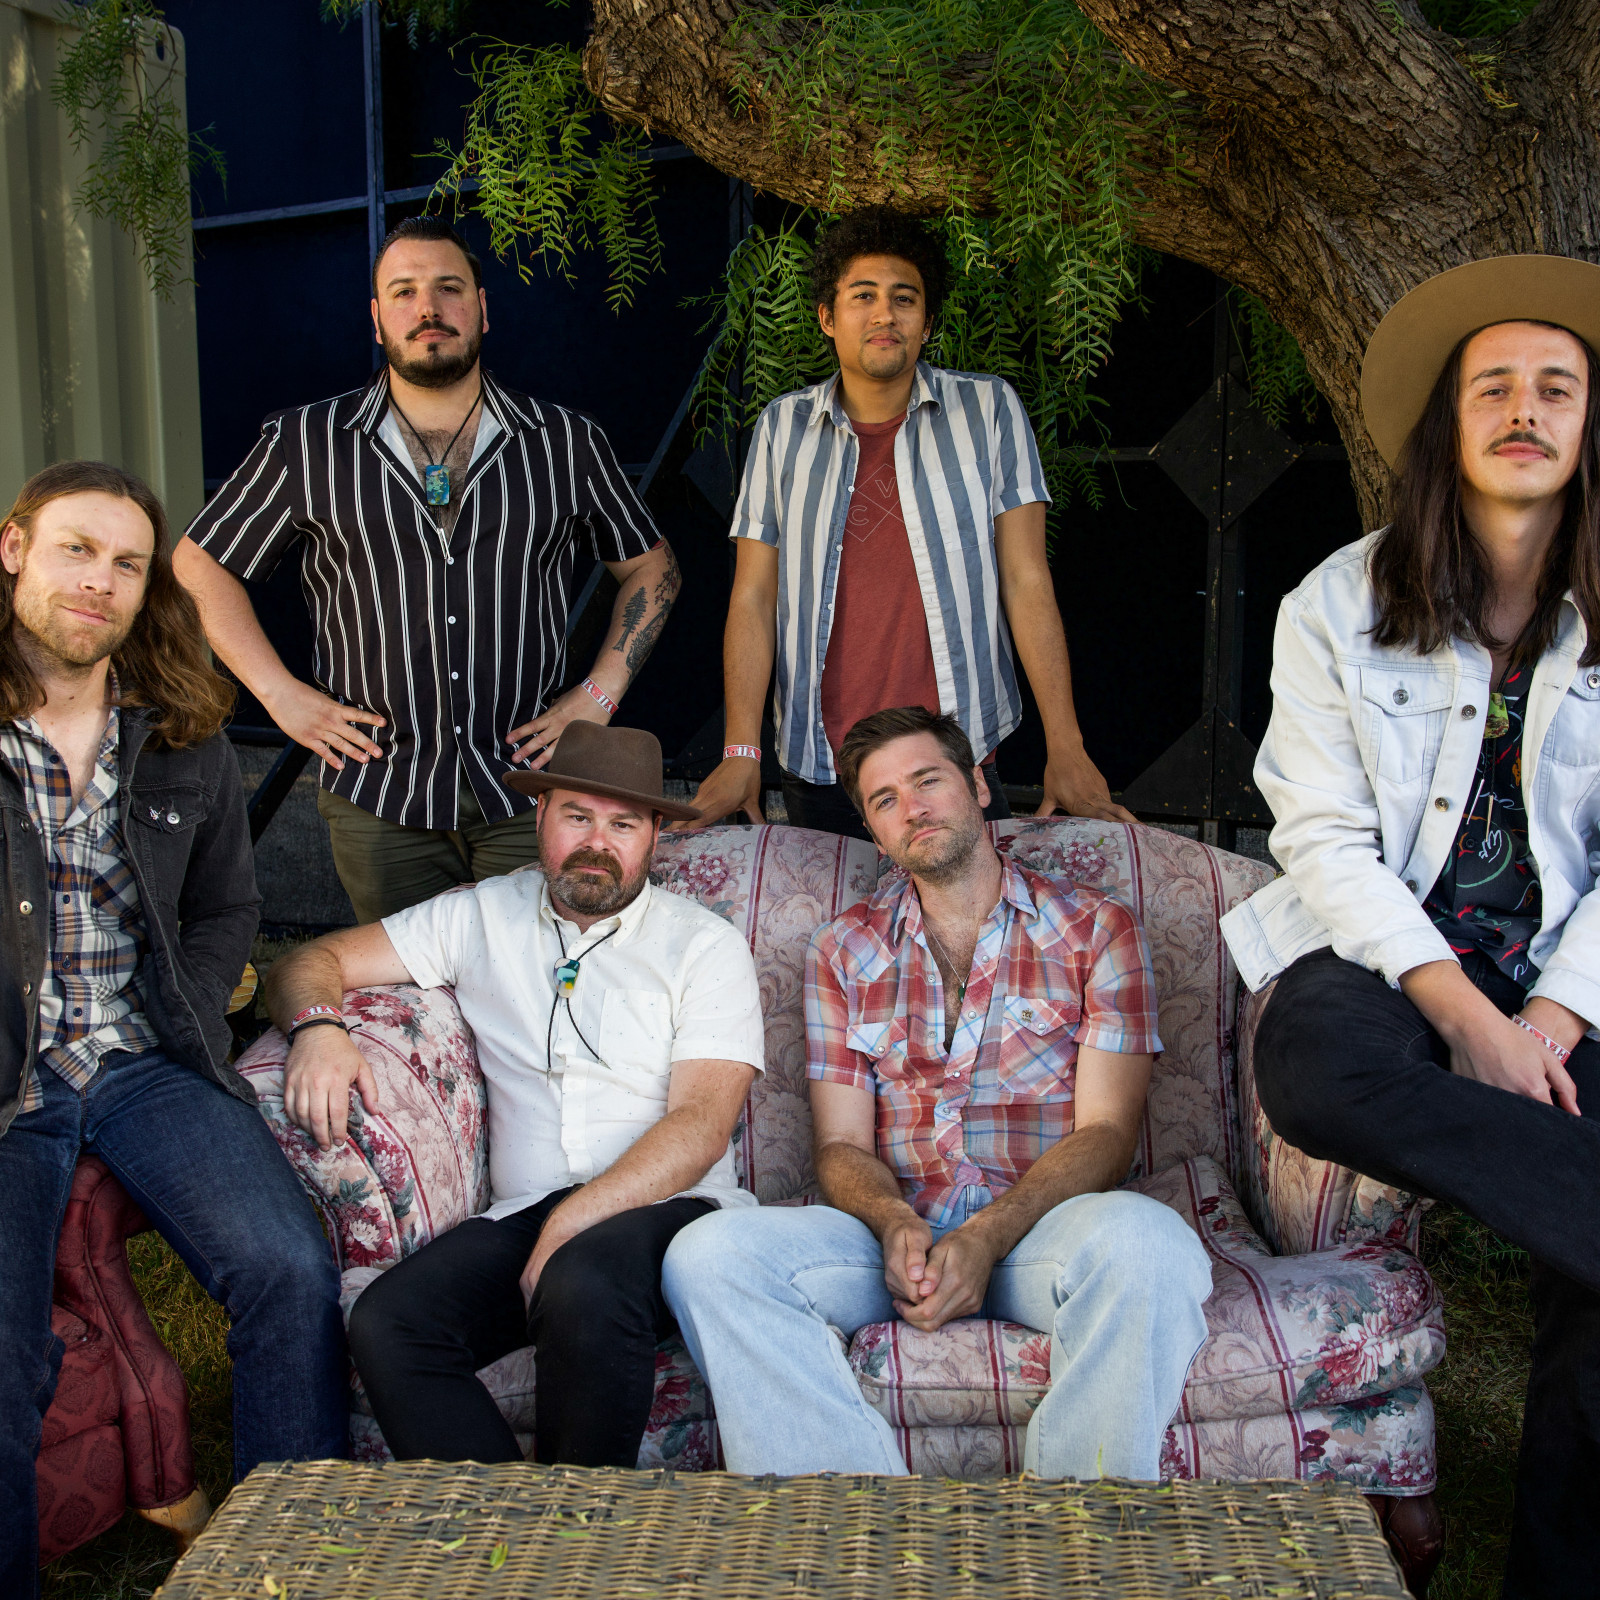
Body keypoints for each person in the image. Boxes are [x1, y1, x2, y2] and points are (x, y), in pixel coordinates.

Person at [1219, 255, 1600, 1600]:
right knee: (1311, 1068)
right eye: (1493, 385)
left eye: (1556, 387)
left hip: (1572, 970)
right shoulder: (1335, 602)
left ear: (1586, 422)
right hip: (1386, 955)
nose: (1524, 408)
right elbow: (1320, 837)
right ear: (1451, 424)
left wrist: (1544, 1019)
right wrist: (1467, 1020)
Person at [664, 706, 1210, 1476]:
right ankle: (855, 1540)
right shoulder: (842, 950)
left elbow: (1109, 1134)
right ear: (875, 833)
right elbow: (843, 1145)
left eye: (928, 781)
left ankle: (1079, 1551)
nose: (913, 808)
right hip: (896, 1245)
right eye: (885, 800)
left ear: (979, 787)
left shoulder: (1095, 929)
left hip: (1035, 1231)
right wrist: (892, 1224)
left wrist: (986, 1238)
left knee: (1150, 1245)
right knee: (708, 1254)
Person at [0, 461, 345, 1598]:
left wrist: (189, 1014)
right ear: (14, 550)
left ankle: (285, 1568)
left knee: (288, 1264)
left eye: (128, 564)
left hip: (143, 1055)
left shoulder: (184, 732)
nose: (99, 581)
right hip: (11, 1084)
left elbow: (227, 908)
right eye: (75, 549)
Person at [266, 721, 764, 1467]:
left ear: (655, 835)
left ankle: (577, 1543)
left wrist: (570, 1226)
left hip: (670, 1215)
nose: (599, 842)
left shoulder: (703, 945)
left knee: (582, 1282)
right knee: (388, 1320)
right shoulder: (480, 914)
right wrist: (318, 1028)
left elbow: (701, 1125)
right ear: (539, 816)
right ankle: (508, 1535)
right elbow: (313, 960)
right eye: (577, 816)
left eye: (623, 823)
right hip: (524, 1217)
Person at [174, 216, 680, 923]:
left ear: (482, 308)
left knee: (536, 982)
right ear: (378, 320)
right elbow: (198, 564)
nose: (428, 307)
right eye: (404, 292)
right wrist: (279, 695)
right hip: (380, 793)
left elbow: (653, 571)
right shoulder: (307, 443)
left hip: (528, 790)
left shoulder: (564, 441)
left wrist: (598, 696)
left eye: (448, 287)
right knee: (408, 995)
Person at [676, 208, 1131, 843]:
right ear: (828, 319)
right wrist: (739, 752)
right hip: (823, 765)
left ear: (927, 322)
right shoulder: (783, 427)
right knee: (838, 939)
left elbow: (1027, 579)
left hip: (956, 758)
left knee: (970, 936)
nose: (885, 314)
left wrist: (1067, 743)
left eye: (904, 298)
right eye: (863, 297)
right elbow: (754, 597)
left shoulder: (988, 408)